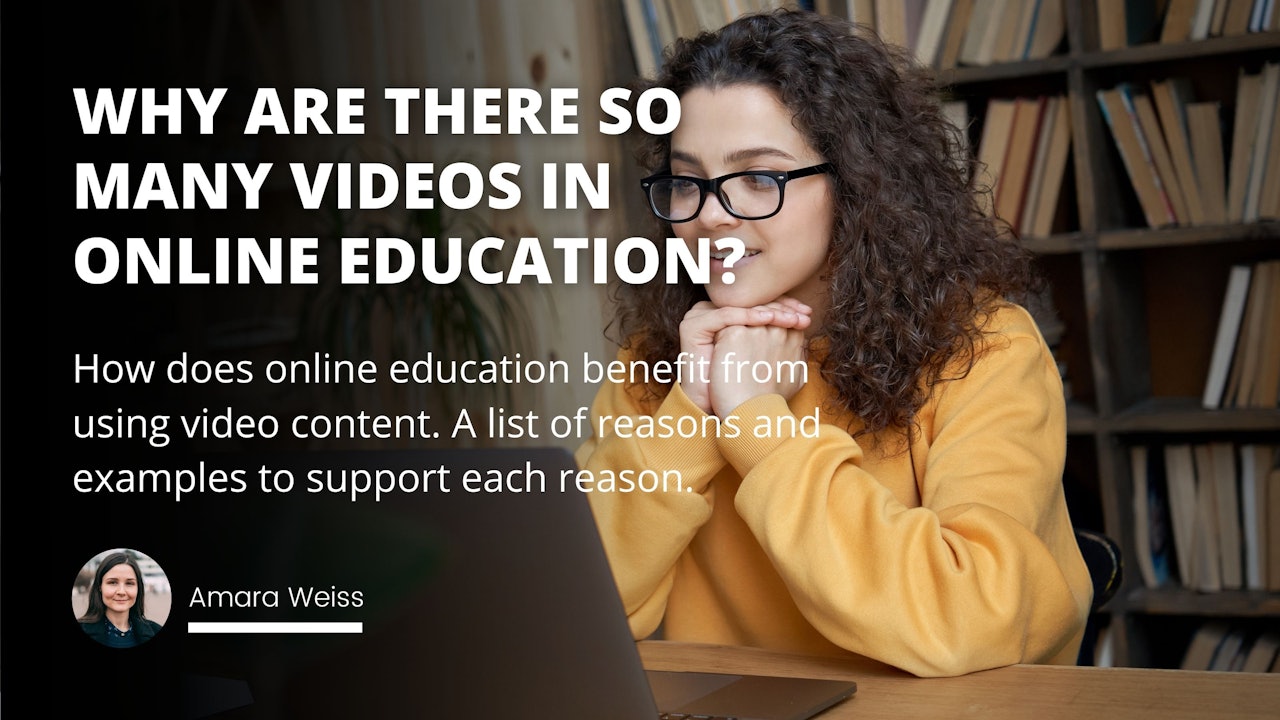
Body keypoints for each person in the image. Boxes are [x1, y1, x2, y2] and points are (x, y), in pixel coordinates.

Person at [575, 9, 1092, 677]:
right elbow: (575, 612)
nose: (708, 215)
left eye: (758, 178)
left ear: (856, 186)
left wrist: (755, 422)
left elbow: (970, 620)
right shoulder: (657, 365)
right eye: (686, 181)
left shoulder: (984, 350)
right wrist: (693, 409)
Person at [78, 551, 163, 647]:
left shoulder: (156, 630)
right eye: (113, 582)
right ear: (100, 587)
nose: (121, 592)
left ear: (138, 588)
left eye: (129, 583)